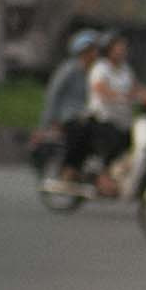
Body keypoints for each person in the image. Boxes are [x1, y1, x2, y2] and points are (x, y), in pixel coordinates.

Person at [67, 31, 138, 189]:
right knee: (109, 142)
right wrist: (119, 96)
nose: (121, 51)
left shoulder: (125, 69)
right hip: (102, 118)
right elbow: (100, 88)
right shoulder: (101, 68)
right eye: (118, 47)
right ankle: (101, 176)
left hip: (122, 119)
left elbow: (135, 88)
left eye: (123, 47)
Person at [37, 30, 98, 193]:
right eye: (92, 50)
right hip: (68, 116)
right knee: (80, 131)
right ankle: (68, 169)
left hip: (87, 114)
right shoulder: (69, 70)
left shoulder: (94, 72)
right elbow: (53, 95)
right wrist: (48, 122)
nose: (95, 53)